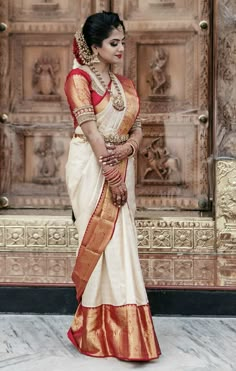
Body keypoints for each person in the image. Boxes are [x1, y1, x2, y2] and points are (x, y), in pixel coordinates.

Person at [64, 11, 161, 361]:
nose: (121, 48)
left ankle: (127, 335)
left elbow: (139, 128)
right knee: (102, 242)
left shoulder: (126, 85)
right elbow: (91, 133)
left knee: (122, 243)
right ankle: (94, 332)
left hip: (120, 162)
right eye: (113, 43)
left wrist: (129, 148)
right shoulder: (78, 79)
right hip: (92, 168)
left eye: (122, 41)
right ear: (95, 47)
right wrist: (112, 175)